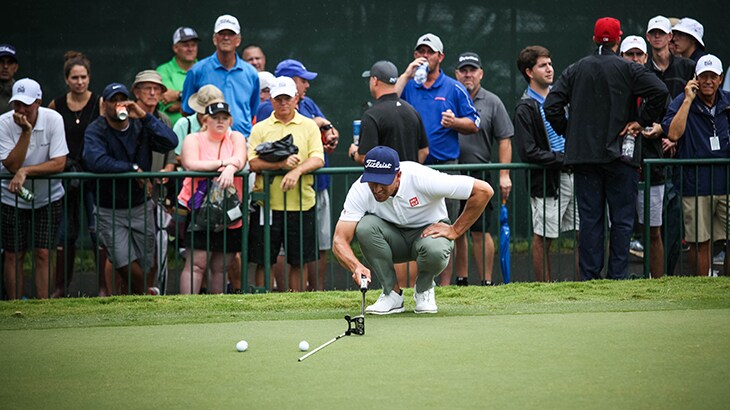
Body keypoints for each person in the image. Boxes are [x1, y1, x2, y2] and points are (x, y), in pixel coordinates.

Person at [544, 17, 668, 280]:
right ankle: (617, 276)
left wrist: (570, 132)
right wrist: (641, 121)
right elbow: (660, 91)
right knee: (622, 221)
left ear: (594, 39)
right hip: (621, 155)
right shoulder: (628, 69)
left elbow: (551, 106)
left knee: (590, 220)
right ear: (618, 40)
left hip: (585, 157)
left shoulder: (576, 69)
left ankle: (589, 276)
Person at [332, 146, 493, 314]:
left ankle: (424, 290)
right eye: (372, 181)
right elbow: (339, 240)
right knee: (365, 227)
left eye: (383, 182)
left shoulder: (421, 177)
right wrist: (356, 266)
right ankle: (391, 294)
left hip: (429, 234)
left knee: (435, 250)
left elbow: (484, 191)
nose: (377, 189)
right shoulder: (360, 188)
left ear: (398, 175)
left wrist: (455, 230)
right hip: (393, 239)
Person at [395, 33, 480, 284]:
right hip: (415, 168)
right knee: (414, 228)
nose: (424, 56)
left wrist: (455, 122)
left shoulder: (454, 87)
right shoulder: (409, 85)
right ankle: (417, 285)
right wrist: (407, 74)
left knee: (445, 227)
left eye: (429, 52)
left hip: (445, 168)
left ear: (440, 57)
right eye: (420, 51)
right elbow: (388, 99)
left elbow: (474, 122)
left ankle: (443, 286)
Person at [83, 82, 177, 294]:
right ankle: (148, 293)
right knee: (121, 258)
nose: (118, 105)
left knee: (146, 260)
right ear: (104, 104)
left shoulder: (139, 124)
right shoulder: (96, 129)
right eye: (113, 101)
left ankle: (139, 298)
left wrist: (144, 116)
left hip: (140, 205)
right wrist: (132, 168)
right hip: (109, 208)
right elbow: (95, 161)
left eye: (121, 100)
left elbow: (170, 141)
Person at [266, 59, 339, 291]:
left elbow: (324, 138)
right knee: (281, 249)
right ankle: (282, 293)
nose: (306, 85)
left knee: (318, 244)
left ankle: (313, 293)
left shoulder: (309, 103)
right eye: (302, 80)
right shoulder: (269, 110)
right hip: (282, 193)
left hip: (316, 186)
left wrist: (327, 129)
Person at [248, 76, 324, 292]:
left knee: (299, 260)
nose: (283, 103)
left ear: (296, 99)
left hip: (301, 205)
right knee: (264, 260)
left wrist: (297, 171)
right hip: (267, 206)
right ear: (271, 100)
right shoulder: (260, 128)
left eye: (287, 98)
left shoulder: (309, 126)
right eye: (278, 99)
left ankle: (298, 304)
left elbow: (318, 158)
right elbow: (253, 162)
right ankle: (263, 305)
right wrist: (281, 164)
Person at [514, 45, 579, 283]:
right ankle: (545, 290)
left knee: (584, 233)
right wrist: (561, 159)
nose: (550, 68)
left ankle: (586, 286)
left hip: (574, 174)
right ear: (529, 72)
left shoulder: (563, 99)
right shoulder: (524, 107)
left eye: (550, 63)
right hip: (547, 182)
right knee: (544, 237)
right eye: (543, 65)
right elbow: (528, 152)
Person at [0, 78, 68, 299]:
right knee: (13, 255)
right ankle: (14, 307)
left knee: (43, 253)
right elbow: (11, 165)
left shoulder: (54, 119)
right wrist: (26, 132)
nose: (21, 110)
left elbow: (59, 163)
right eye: (17, 104)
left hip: (48, 198)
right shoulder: (4, 123)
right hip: (11, 199)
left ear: (38, 102)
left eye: (26, 105)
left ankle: (42, 308)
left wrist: (26, 171)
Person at [47, 51, 108, 297]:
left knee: (97, 232)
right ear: (66, 79)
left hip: (92, 177)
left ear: (89, 78)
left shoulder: (100, 102)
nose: (80, 81)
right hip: (66, 176)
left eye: (83, 77)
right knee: (65, 233)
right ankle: (60, 288)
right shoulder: (56, 105)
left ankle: (104, 288)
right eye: (75, 77)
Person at [664, 55, 730, 276]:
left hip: (726, 184)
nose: (708, 81)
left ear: (720, 79)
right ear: (696, 79)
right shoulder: (683, 101)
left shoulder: (727, 102)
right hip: (695, 186)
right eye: (703, 77)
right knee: (699, 241)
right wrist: (687, 100)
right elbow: (673, 134)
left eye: (713, 77)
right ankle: (702, 287)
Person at [452, 52, 513, 286]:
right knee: (455, 230)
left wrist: (504, 175)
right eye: (463, 70)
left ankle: (486, 282)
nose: (468, 74)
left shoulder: (493, 101)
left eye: (472, 70)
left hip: (480, 174)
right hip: (451, 172)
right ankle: (461, 281)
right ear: (456, 73)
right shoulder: (448, 97)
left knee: (480, 230)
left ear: (481, 73)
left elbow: (505, 139)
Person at [645, 15, 696, 277]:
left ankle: (670, 273)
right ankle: (656, 277)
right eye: (652, 33)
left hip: (682, 152)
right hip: (654, 155)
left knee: (676, 221)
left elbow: (694, 105)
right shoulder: (642, 69)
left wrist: (671, 133)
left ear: (669, 37)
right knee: (655, 224)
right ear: (648, 37)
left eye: (661, 33)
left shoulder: (687, 67)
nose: (657, 37)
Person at [177, 102, 247, 294]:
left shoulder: (236, 137)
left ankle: (216, 309)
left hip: (228, 211)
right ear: (206, 120)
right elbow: (191, 163)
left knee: (221, 266)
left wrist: (232, 169)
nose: (220, 121)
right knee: (197, 264)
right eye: (215, 117)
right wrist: (224, 163)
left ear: (230, 120)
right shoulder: (193, 138)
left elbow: (241, 158)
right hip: (200, 210)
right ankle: (187, 307)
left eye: (224, 118)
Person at [618, 36, 666, 279]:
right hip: (619, 168)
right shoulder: (614, 83)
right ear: (622, 57)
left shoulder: (655, 85)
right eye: (630, 55)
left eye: (639, 55)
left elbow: (669, 118)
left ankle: (656, 283)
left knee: (654, 231)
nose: (635, 59)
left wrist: (660, 128)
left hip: (650, 168)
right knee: (619, 229)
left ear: (646, 58)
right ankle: (618, 280)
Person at [181, 14, 259, 136]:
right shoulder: (197, 71)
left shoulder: (251, 73)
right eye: (222, 34)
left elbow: (253, 113)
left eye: (231, 34)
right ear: (214, 39)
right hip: (206, 142)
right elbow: (187, 111)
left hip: (242, 142)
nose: (226, 38)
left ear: (238, 40)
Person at [349, 60, 429, 164]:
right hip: (408, 179)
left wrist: (354, 153)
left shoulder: (372, 115)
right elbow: (424, 151)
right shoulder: (412, 111)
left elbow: (365, 158)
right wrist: (408, 172)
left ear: (375, 81)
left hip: (386, 180)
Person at [157, 26, 199, 125]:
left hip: (200, 133)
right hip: (172, 132)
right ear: (175, 48)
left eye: (193, 45)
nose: (190, 49)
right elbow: (169, 105)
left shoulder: (204, 69)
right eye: (186, 45)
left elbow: (208, 100)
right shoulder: (163, 71)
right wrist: (197, 104)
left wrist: (177, 95)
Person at [0, 44, 19, 114]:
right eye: (1, 62)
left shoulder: (21, 92)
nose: (5, 66)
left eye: (10, 62)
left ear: (16, 67)